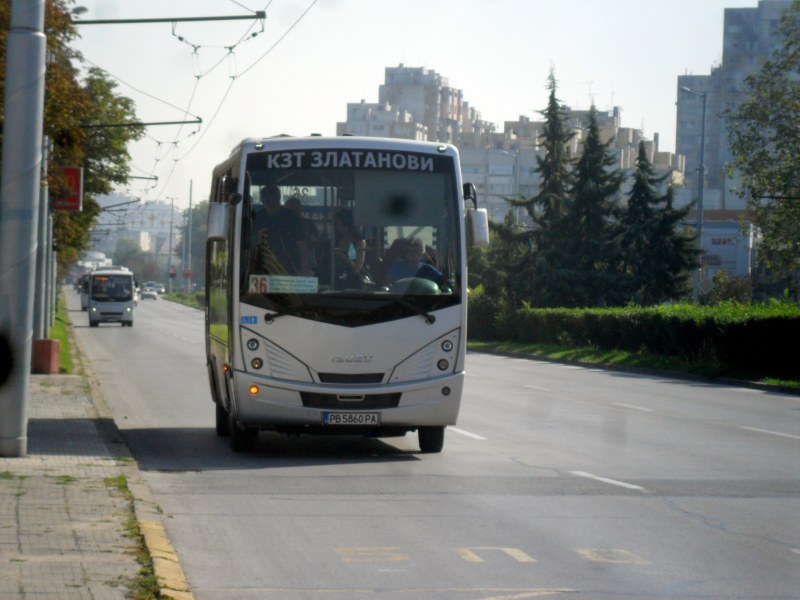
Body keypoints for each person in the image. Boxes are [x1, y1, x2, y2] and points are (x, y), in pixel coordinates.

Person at [251, 185, 310, 276]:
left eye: (275, 200)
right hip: (264, 268)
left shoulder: (291, 217)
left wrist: (305, 268)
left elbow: (302, 244)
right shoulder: (258, 218)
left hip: (290, 266)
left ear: (279, 199)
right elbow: (252, 244)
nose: (272, 204)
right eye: (268, 201)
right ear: (263, 201)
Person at [284, 196, 319, 272]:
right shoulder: (282, 226)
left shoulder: (309, 224)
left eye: (296, 209)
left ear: (301, 209)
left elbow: (317, 242)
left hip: (309, 266)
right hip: (287, 267)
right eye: (290, 210)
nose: (293, 213)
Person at [332, 209, 366, 286]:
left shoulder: (358, 241)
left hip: (353, 279)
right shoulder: (336, 239)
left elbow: (357, 268)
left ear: (347, 224)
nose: (338, 228)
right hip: (335, 277)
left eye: (340, 225)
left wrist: (341, 255)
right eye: (336, 225)